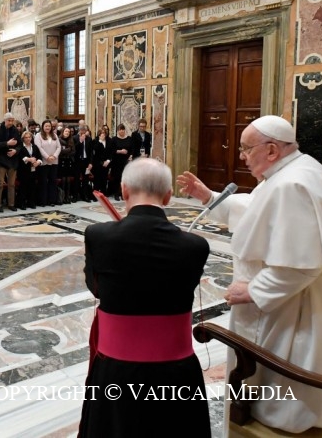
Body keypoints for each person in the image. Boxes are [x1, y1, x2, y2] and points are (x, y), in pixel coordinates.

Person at [176, 115, 322, 433]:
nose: (242, 156)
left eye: (247, 148)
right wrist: (208, 197)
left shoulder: (292, 183)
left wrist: (253, 291)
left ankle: (280, 419)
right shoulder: (295, 170)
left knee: (289, 376)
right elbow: (258, 208)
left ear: (272, 149)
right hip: (308, 296)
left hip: (298, 302)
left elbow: (302, 265)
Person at [80, 158, 210, 436]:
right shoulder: (196, 246)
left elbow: (96, 288)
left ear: (124, 191)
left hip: (115, 372)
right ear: (168, 196)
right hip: (176, 373)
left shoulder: (98, 235)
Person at [0, 112, 21, 212]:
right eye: (9, 120)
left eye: (12, 120)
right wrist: (7, 143)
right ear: (5, 120)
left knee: (12, 184)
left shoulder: (15, 130)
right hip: (1, 160)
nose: (11, 122)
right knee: (0, 184)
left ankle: (11, 204)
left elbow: (19, 145)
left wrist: (15, 151)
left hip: (12, 159)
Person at [35, 119, 61, 206]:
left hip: (54, 161)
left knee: (53, 181)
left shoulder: (55, 136)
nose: (47, 127)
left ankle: (52, 200)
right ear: (43, 127)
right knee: (43, 182)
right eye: (46, 126)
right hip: (43, 162)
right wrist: (47, 157)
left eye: (49, 126)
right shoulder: (38, 136)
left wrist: (54, 156)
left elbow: (59, 147)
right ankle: (43, 201)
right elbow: (39, 148)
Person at [16, 130, 42, 209]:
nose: (28, 139)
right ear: (23, 138)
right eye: (26, 137)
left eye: (29, 137)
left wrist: (37, 162)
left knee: (32, 186)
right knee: (23, 187)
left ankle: (31, 202)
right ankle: (22, 203)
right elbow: (22, 157)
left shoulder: (34, 147)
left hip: (33, 170)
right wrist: (29, 159)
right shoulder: (20, 147)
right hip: (23, 170)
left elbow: (39, 157)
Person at [110, 124, 132, 200]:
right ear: (117, 131)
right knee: (117, 178)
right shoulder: (114, 139)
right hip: (116, 161)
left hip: (126, 161)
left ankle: (123, 193)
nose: (121, 131)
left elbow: (132, 149)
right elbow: (111, 150)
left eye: (123, 129)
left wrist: (130, 155)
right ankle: (116, 193)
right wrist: (120, 151)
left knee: (124, 178)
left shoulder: (129, 139)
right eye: (120, 129)